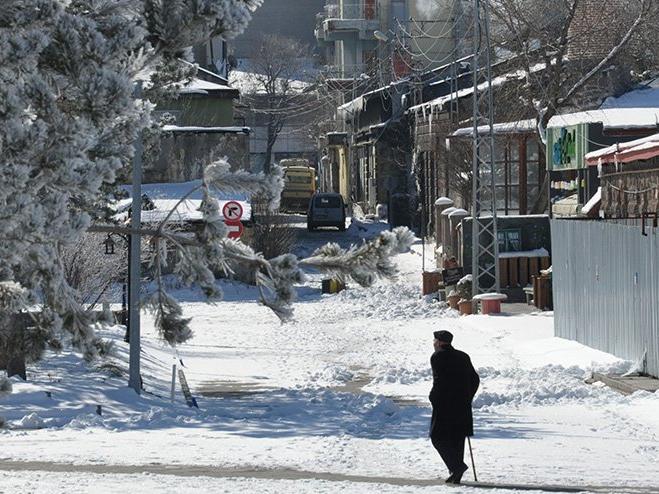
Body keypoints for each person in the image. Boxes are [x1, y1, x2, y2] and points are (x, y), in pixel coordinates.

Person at [429, 330, 480, 484]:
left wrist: (433, 398)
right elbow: (475, 379)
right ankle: (456, 474)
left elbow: (439, 381)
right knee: (457, 438)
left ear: (439, 342)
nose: (433, 343)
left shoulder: (437, 356)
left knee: (437, 437)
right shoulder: (463, 356)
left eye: (434, 340)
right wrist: (468, 396)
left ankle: (457, 467)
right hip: (462, 405)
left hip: (444, 405)